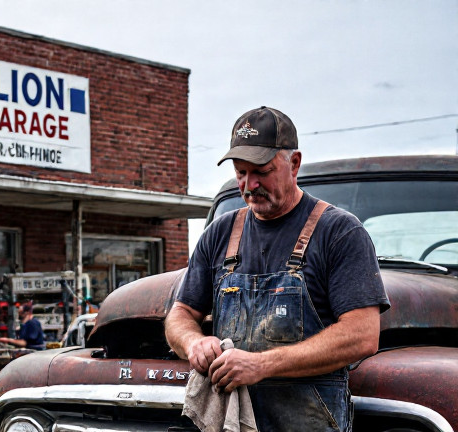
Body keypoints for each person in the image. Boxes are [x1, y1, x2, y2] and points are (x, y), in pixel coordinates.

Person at [166, 106, 390, 431]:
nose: (249, 184)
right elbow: (181, 312)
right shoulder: (220, 233)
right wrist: (193, 343)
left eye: (262, 171)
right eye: (241, 172)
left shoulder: (339, 232)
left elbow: (362, 335)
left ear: (294, 163)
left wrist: (261, 364)